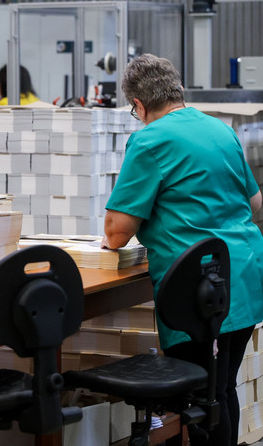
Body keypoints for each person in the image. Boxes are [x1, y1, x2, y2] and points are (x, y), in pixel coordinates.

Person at [103, 54, 263, 446]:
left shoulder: (149, 140)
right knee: (221, 388)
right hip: (243, 273)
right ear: (179, 90)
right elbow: (256, 203)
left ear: (138, 105)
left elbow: (117, 233)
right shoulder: (220, 129)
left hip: (197, 287)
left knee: (201, 395)